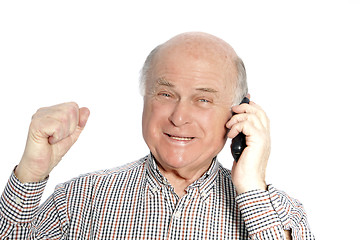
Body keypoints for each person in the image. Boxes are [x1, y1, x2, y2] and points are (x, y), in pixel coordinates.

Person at [0, 32, 314, 239]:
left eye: (203, 99)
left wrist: (251, 191)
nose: (179, 117)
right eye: (165, 94)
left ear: (239, 111)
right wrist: (31, 173)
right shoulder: (78, 199)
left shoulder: (283, 216)